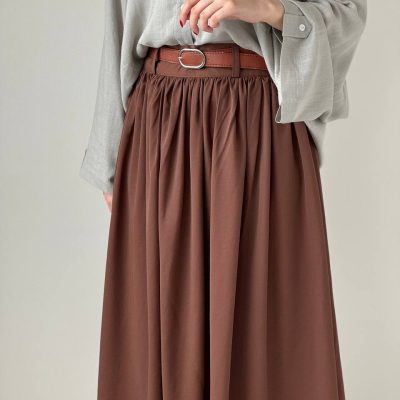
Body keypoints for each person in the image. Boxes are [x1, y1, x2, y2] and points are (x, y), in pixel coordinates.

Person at [79, 0, 367, 399]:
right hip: (158, 122)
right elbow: (118, 24)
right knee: (161, 328)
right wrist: (108, 159)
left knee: (265, 329)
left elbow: (347, 14)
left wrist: (268, 9)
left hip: (257, 123)